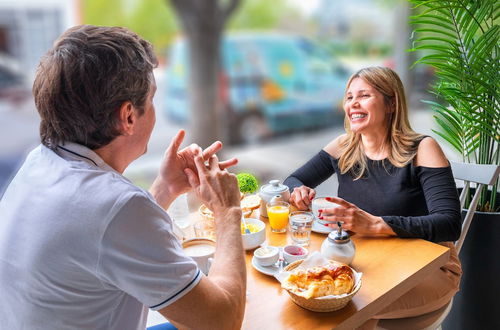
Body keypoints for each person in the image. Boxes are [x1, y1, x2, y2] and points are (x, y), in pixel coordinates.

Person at [0, 25, 246, 330]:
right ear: (128, 116)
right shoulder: (115, 206)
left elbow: (105, 239)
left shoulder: (39, 161)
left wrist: (166, 188)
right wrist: (228, 211)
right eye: (152, 99)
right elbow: (222, 321)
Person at [283, 66, 462, 328]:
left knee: (347, 307)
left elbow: (449, 223)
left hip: (430, 268)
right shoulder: (344, 146)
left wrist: (376, 224)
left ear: (391, 103)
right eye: (349, 97)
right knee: (313, 297)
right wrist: (298, 191)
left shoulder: (423, 148)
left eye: (364, 95)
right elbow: (293, 180)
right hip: (366, 260)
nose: (353, 103)